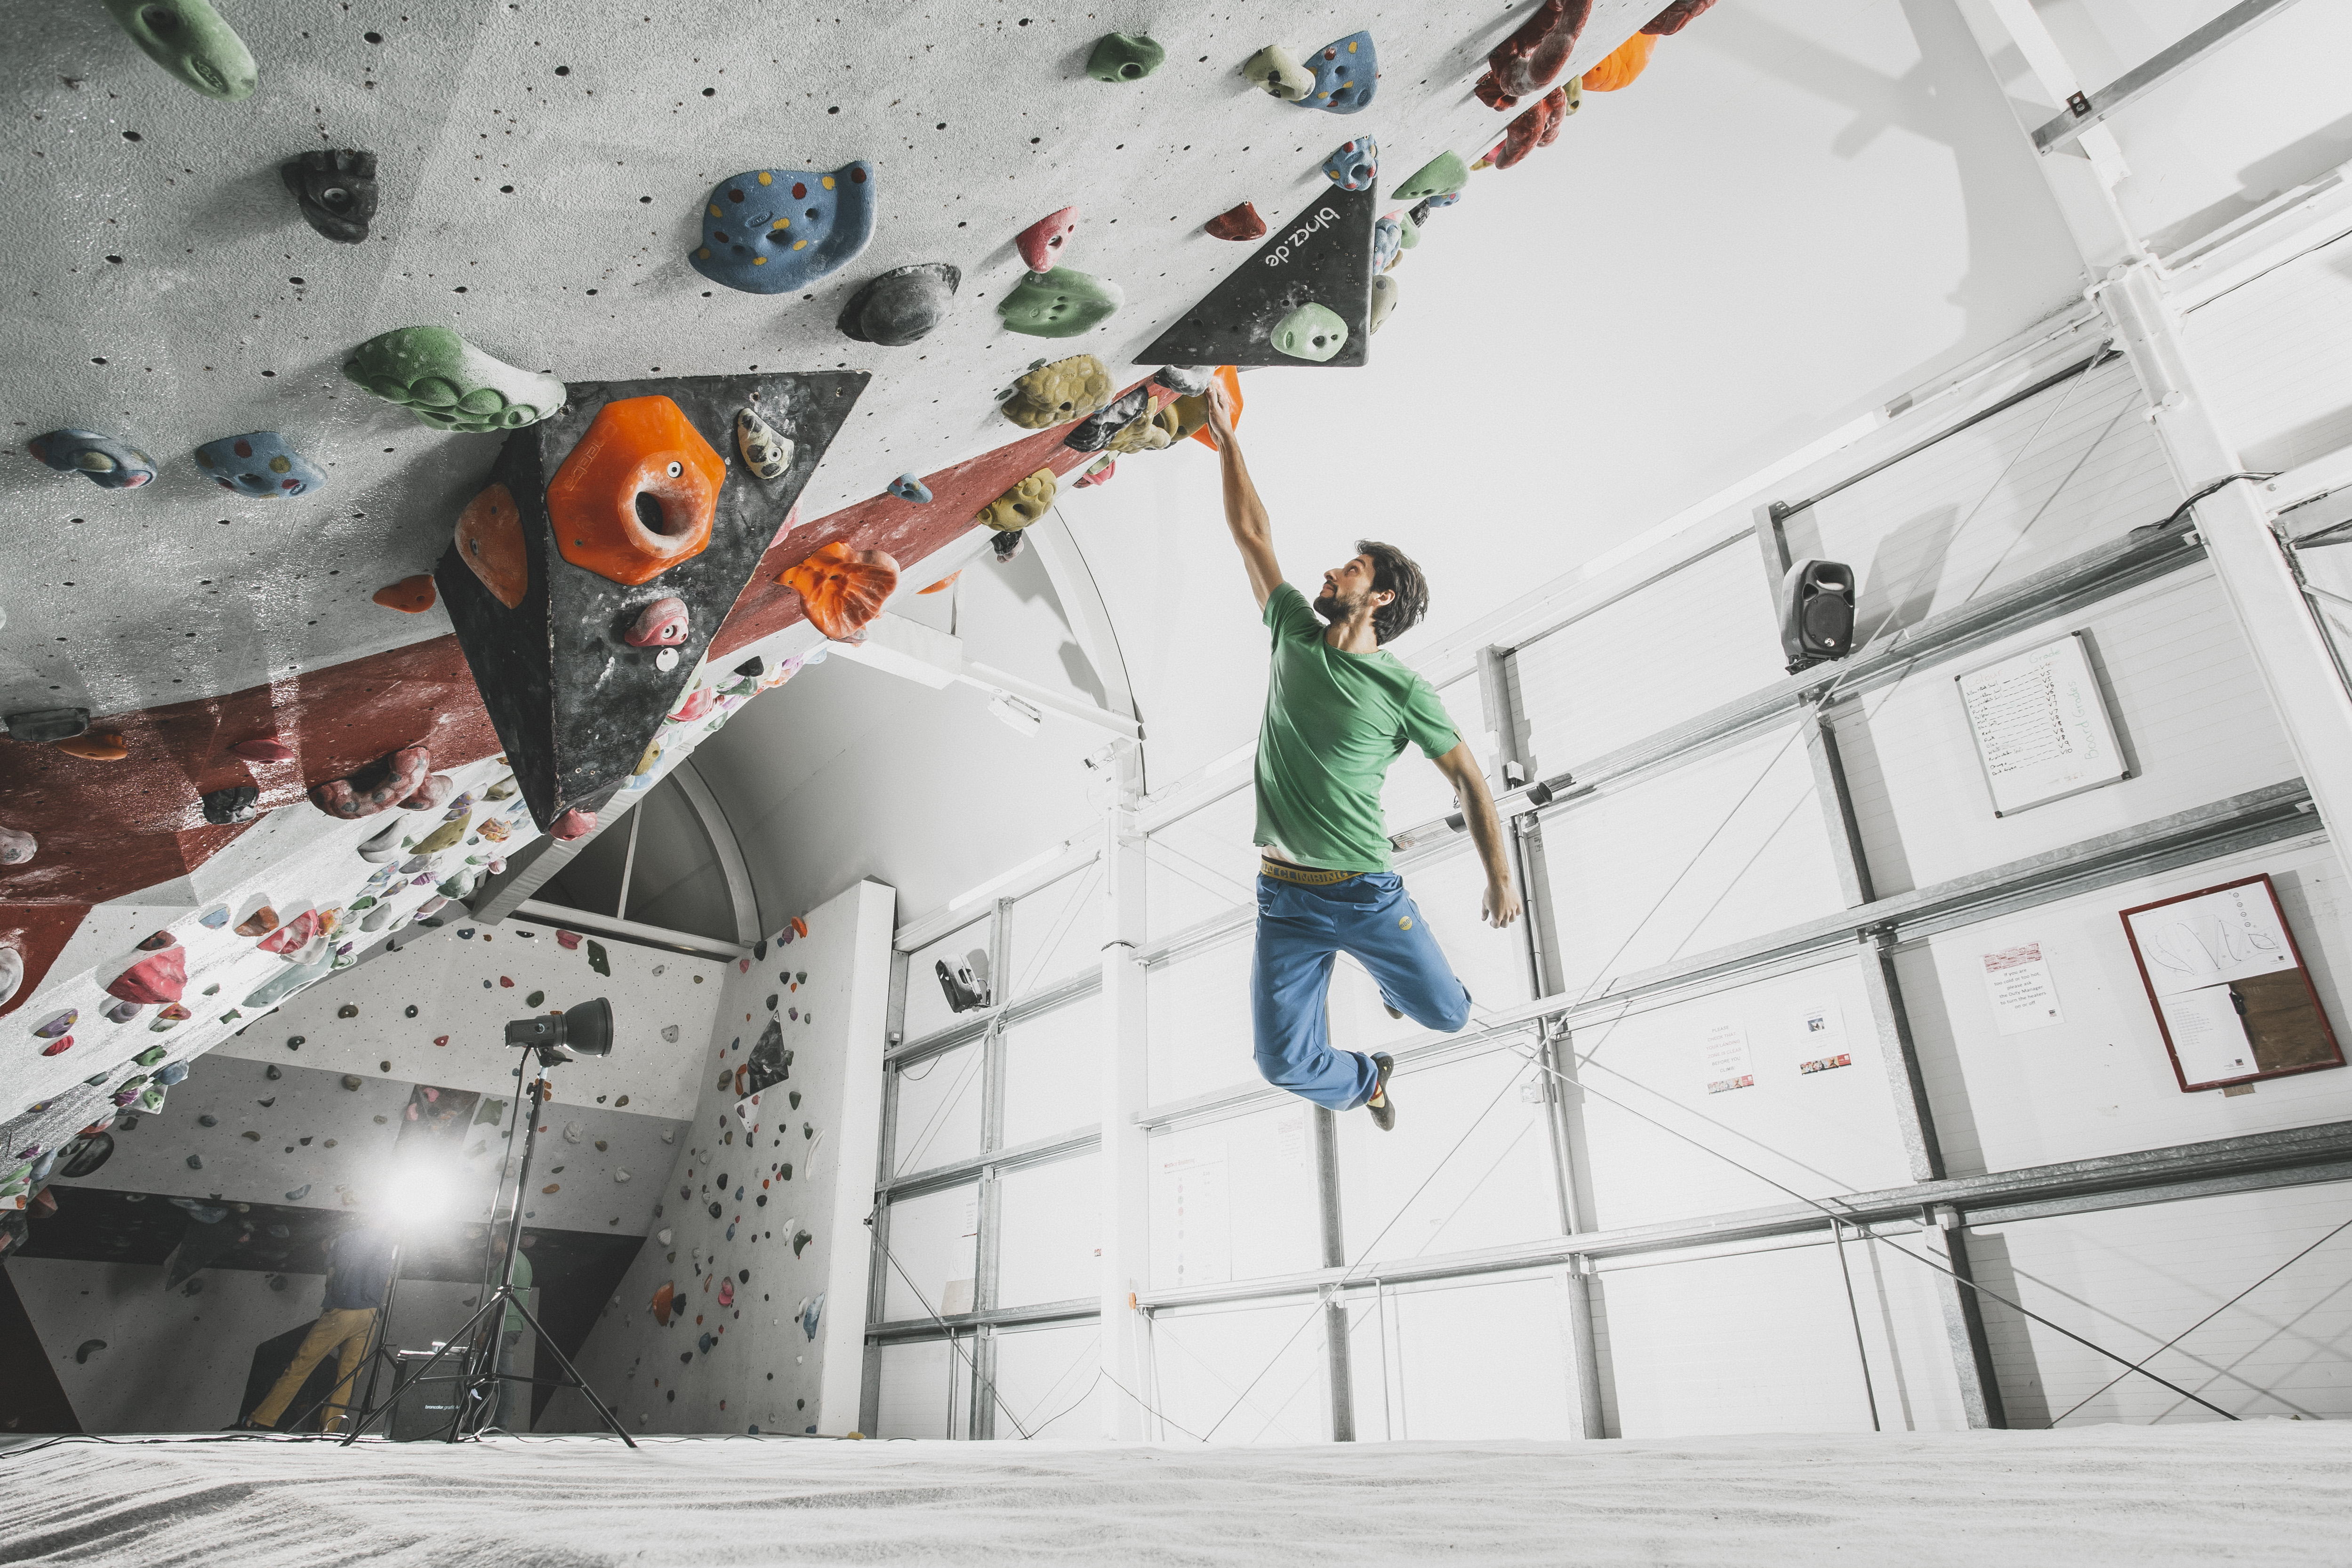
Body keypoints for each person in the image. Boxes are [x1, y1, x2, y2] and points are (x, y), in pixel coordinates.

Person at [1202, 379, 1521, 1129]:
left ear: (1377, 599)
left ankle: (1397, 980)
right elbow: (1253, 535)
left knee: (1446, 1018)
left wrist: (1499, 878)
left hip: (1365, 891)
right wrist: (1228, 443)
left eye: (1351, 569)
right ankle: (1366, 1079)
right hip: (1284, 897)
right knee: (1281, 1063)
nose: (1331, 571)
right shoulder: (1291, 630)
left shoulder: (1403, 686)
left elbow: (1471, 781)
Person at [242, 1212, 396, 1431]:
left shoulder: (345, 1239)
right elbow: (387, 1282)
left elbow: (332, 1274)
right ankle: (330, 1428)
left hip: (341, 1312)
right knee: (348, 1375)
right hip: (370, 1315)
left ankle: (263, 1418)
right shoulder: (387, 1244)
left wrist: (335, 1295)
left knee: (301, 1366)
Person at [483, 1230, 535, 1431]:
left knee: (499, 1379)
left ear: (503, 1240)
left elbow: (497, 1300)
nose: (494, 1244)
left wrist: (484, 1330)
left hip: (502, 1326)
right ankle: (479, 1422)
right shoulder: (524, 1262)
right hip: (514, 1325)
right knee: (492, 1378)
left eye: (496, 1240)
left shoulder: (507, 1264)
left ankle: (498, 1424)